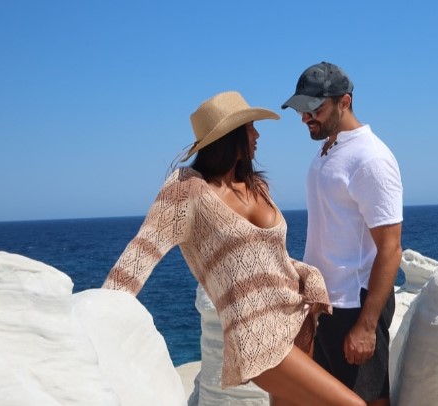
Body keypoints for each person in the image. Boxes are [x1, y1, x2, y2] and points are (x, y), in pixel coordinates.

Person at [102, 91, 366, 406]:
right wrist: (99, 315)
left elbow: (268, 257)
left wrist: (302, 274)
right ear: (230, 137)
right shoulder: (186, 191)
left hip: (297, 317)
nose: (257, 135)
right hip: (257, 337)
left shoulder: (257, 186)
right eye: (250, 128)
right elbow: (139, 255)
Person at [281, 62, 403, 406]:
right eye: (302, 110)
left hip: (355, 304)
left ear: (344, 102)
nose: (306, 118)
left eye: (314, 109)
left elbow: (391, 248)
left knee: (368, 401)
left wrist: (366, 325)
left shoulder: (370, 158)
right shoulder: (329, 149)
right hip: (325, 304)